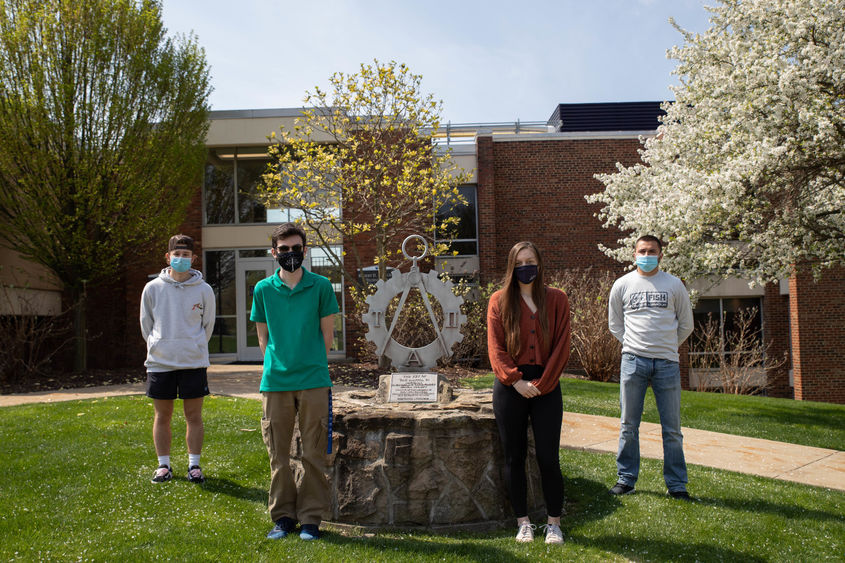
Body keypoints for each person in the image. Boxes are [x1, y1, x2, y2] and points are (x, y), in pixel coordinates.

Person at [250, 223, 338, 541]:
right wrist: (280, 362)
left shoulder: (321, 286)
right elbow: (263, 338)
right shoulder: (262, 290)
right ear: (274, 252)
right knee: (279, 453)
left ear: (305, 250)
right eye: (284, 249)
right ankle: (284, 517)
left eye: (296, 248)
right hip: (275, 381)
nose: (290, 254)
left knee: (314, 451)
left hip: (314, 379)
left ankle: (311, 519)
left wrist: (310, 362)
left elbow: (327, 336)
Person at [487, 241, 571, 545]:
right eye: (520, 262)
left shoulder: (557, 299)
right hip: (511, 388)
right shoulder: (499, 301)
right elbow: (496, 348)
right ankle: (523, 522)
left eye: (531, 260)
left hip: (546, 386)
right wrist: (515, 380)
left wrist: (543, 383)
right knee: (515, 456)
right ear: (512, 266)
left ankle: (553, 524)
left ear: (540, 263)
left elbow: (562, 345)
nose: (526, 267)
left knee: (549, 457)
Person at [607, 235, 694, 500]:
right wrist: (635, 345)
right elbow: (615, 324)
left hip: (667, 363)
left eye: (652, 251)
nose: (647, 255)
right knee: (628, 425)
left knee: (672, 429)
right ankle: (626, 479)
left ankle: (676, 484)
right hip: (633, 361)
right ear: (634, 255)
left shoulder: (674, 284)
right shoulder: (622, 285)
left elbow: (686, 324)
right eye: (642, 251)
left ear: (661, 255)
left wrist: (667, 346)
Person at [140, 234, 215, 485]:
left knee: (194, 416)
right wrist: (159, 345)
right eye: (176, 254)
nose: (181, 259)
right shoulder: (152, 288)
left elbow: (208, 326)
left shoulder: (204, 290)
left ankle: (194, 466)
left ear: (193, 258)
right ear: (167, 256)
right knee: (163, 416)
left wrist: (192, 346)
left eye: (186, 255)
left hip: (193, 362)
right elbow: (146, 325)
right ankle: (164, 465)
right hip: (161, 363)